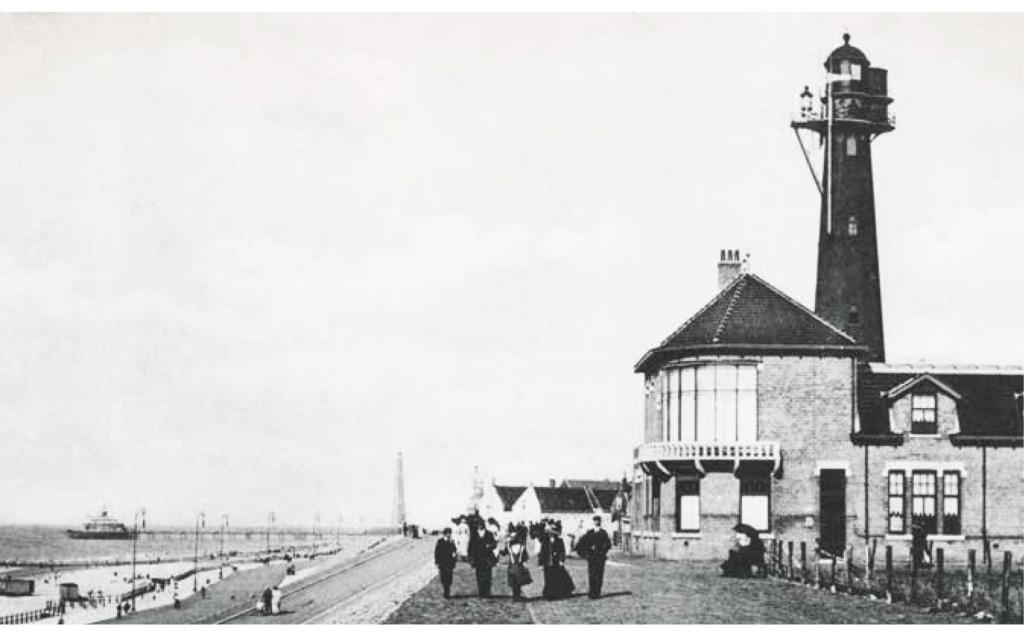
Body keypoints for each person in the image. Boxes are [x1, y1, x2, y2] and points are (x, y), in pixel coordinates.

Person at [575, 515, 612, 599]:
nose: (597, 522)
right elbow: (581, 543)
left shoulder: (603, 533)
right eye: (595, 521)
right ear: (593, 522)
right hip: (591, 557)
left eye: (598, 521)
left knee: (599, 574)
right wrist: (586, 553)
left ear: (600, 522)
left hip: (600, 557)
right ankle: (592, 592)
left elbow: (608, 544)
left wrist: (601, 550)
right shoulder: (590, 533)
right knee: (592, 575)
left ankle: (597, 592)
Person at [538, 520, 575, 600]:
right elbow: (542, 553)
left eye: (553, 532)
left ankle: (557, 593)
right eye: (551, 532)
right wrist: (540, 564)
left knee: (556, 578)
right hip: (547, 562)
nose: (552, 534)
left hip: (556, 562)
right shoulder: (545, 541)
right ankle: (549, 594)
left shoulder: (559, 541)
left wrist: (561, 560)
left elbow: (562, 552)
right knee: (548, 579)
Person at [501, 525, 532, 601]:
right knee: (517, 581)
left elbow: (503, 553)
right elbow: (526, 556)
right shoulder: (521, 547)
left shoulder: (511, 547)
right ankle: (517, 595)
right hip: (517, 565)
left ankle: (515, 595)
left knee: (515, 581)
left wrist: (504, 545)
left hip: (513, 566)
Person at [468, 520, 497, 598]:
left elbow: (494, 544)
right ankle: (481, 593)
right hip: (478, 559)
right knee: (479, 576)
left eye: (481, 525)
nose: (480, 526)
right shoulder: (474, 535)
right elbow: (470, 547)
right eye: (478, 525)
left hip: (487, 559)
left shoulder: (489, 534)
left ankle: (487, 593)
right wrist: (471, 559)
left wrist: (489, 546)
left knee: (488, 576)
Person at [434, 527, 458, 599]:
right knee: (444, 578)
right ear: (445, 534)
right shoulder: (440, 541)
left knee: (449, 578)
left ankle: (447, 591)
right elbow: (437, 552)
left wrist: (454, 558)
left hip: (450, 563)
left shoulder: (452, 541)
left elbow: (454, 550)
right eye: (448, 533)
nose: (449, 535)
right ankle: (446, 592)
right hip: (443, 563)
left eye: (450, 533)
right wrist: (437, 562)